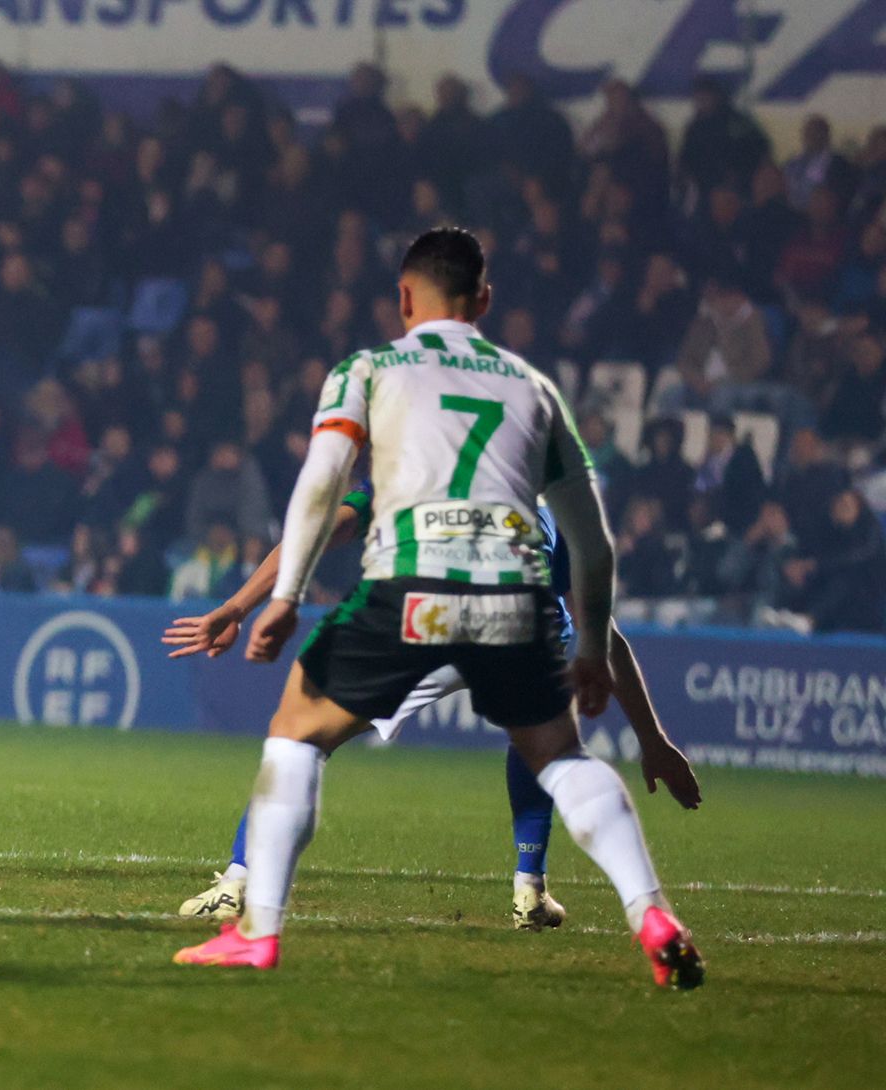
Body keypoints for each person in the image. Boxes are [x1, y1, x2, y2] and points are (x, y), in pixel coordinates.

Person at [172, 228, 705, 989]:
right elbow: (594, 545)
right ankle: (649, 911)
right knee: (560, 754)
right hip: (515, 600)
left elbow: (322, 492)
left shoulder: (373, 369)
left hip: (413, 589)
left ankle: (254, 923)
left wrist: (278, 599)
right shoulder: (533, 389)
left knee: (296, 734)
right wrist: (609, 680)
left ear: (402, 298)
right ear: (483, 301)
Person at [165, 484, 699, 929]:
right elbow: (599, 632)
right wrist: (653, 742)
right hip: (522, 632)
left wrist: (238, 605)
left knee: (303, 735)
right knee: (546, 730)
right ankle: (532, 888)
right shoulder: (543, 503)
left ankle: (239, 882)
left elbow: (324, 527)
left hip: (433, 625)